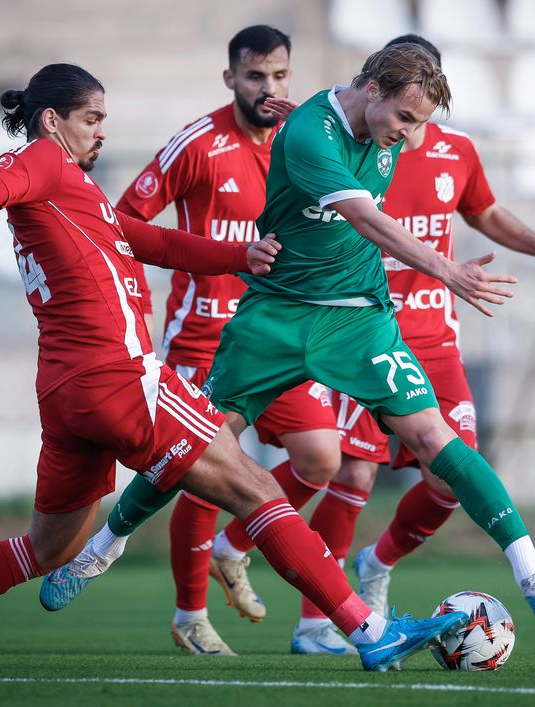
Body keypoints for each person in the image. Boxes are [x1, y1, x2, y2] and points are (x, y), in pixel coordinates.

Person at [0, 63, 467, 673]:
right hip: (118, 375)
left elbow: (155, 242)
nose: (101, 131)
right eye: (92, 118)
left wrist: (239, 256)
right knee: (258, 490)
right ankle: (371, 632)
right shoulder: (41, 162)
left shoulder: (74, 193)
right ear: (52, 120)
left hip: (65, 393)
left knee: (45, 547)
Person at [43, 43, 535, 640]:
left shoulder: (375, 124)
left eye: (420, 122)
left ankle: (532, 574)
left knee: (432, 438)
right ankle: (104, 547)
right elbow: (367, 218)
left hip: (357, 317)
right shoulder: (309, 134)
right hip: (276, 315)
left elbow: (392, 146)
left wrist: (400, 123)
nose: (411, 135)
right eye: (405, 117)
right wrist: (446, 270)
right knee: (194, 444)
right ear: (373, 90)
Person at [295, 33, 535, 637]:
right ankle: (316, 623)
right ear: (383, 83)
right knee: (352, 473)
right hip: (365, 329)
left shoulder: (455, 151)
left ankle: (376, 563)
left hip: (436, 336)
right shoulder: (358, 145)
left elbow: (483, 211)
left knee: (449, 477)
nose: (409, 124)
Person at [110, 25, 342, 656]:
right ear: (230, 79)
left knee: (321, 458)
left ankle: (235, 546)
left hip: (279, 334)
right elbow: (125, 222)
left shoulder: (307, 141)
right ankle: (190, 615)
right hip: (204, 339)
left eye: (280, 76)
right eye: (255, 77)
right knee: (202, 469)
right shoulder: (199, 142)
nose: (269, 89)